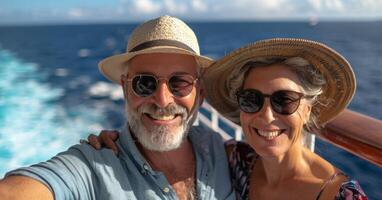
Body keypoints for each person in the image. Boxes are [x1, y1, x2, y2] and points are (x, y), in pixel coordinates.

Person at [89, 38, 368, 199]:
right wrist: (123, 141)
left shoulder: (340, 196)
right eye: (251, 100)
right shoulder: (236, 161)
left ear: (308, 108)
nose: (267, 115)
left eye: (284, 100)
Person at [0, 16, 235, 200]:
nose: (162, 100)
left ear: (200, 93)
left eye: (179, 83)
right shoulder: (95, 166)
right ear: (125, 89)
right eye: (145, 83)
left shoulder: (225, 154)